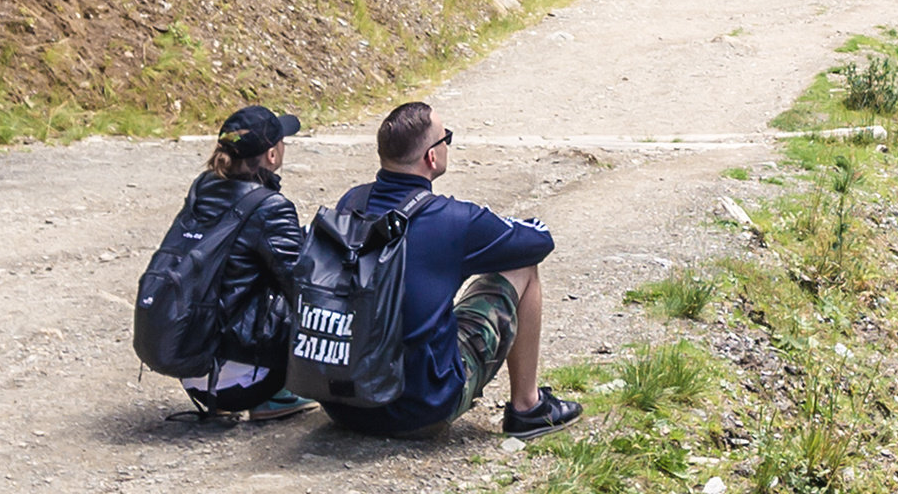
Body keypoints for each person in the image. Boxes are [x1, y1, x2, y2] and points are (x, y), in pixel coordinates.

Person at [319, 100, 582, 440]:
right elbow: (539, 241)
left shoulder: (351, 202)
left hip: (343, 403)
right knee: (524, 266)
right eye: (446, 138)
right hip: (418, 410)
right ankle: (528, 407)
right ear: (432, 157)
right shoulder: (453, 219)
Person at [161, 104, 313, 419]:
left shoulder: (202, 188)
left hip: (192, 369)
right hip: (241, 383)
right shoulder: (270, 207)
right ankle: (279, 395)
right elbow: (302, 287)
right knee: (315, 291)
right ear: (272, 155)